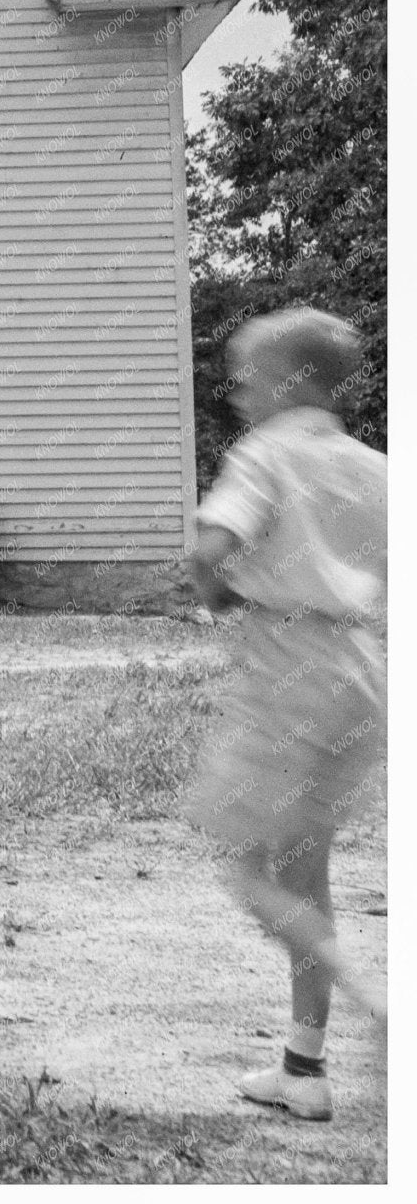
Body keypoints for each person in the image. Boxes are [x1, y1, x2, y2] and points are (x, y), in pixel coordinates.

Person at [184, 306, 387, 1121]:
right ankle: (304, 1069)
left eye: (248, 377)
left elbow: (208, 550)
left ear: (294, 381)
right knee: (305, 874)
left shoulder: (266, 453)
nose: (237, 393)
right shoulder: (375, 466)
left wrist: (217, 593)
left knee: (237, 858)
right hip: (362, 673)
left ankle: (379, 1004)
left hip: (287, 668)